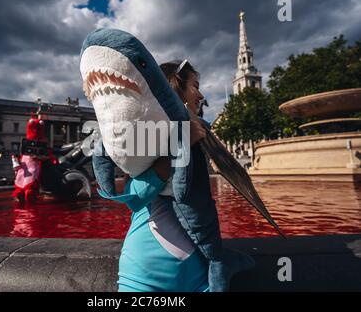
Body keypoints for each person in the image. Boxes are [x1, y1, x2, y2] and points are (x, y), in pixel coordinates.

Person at [95, 60, 254, 292]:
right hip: (144, 277)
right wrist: (179, 147)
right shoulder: (149, 134)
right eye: (195, 86)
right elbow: (135, 197)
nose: (200, 95)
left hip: (200, 277)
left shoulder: (201, 131)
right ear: (176, 90)